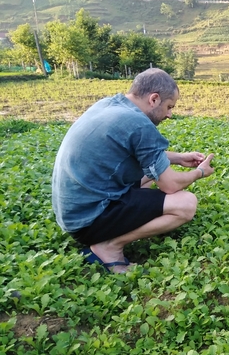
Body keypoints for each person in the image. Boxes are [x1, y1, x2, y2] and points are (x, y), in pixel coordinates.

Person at [51, 68, 215, 273]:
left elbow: (137, 154)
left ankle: (115, 227)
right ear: (154, 99)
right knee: (186, 204)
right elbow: (171, 185)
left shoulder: (110, 105)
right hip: (89, 220)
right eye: (169, 106)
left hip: (73, 213)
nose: (170, 114)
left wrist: (178, 158)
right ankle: (110, 246)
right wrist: (199, 172)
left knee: (149, 175)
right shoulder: (140, 124)